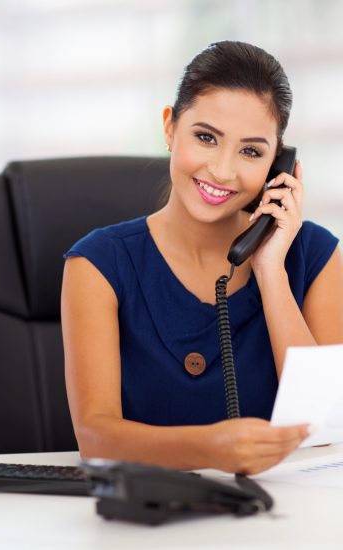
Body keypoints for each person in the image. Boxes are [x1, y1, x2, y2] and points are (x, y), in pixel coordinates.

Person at [61, 41, 343, 474]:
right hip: (149, 524)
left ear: (278, 166)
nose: (223, 171)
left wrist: (270, 272)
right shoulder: (98, 263)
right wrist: (211, 448)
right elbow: (96, 438)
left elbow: (328, 425)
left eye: (251, 151)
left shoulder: (316, 256)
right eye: (206, 137)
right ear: (170, 127)